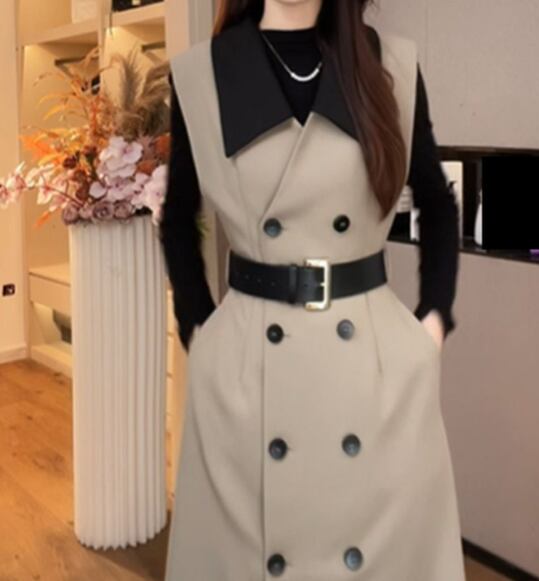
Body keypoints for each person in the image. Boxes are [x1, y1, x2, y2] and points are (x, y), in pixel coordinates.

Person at [160, 1, 465, 579]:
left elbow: (437, 201)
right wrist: (199, 330)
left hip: (375, 371)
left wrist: (433, 323)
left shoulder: (390, 65)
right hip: (246, 370)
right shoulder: (202, 75)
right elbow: (178, 217)